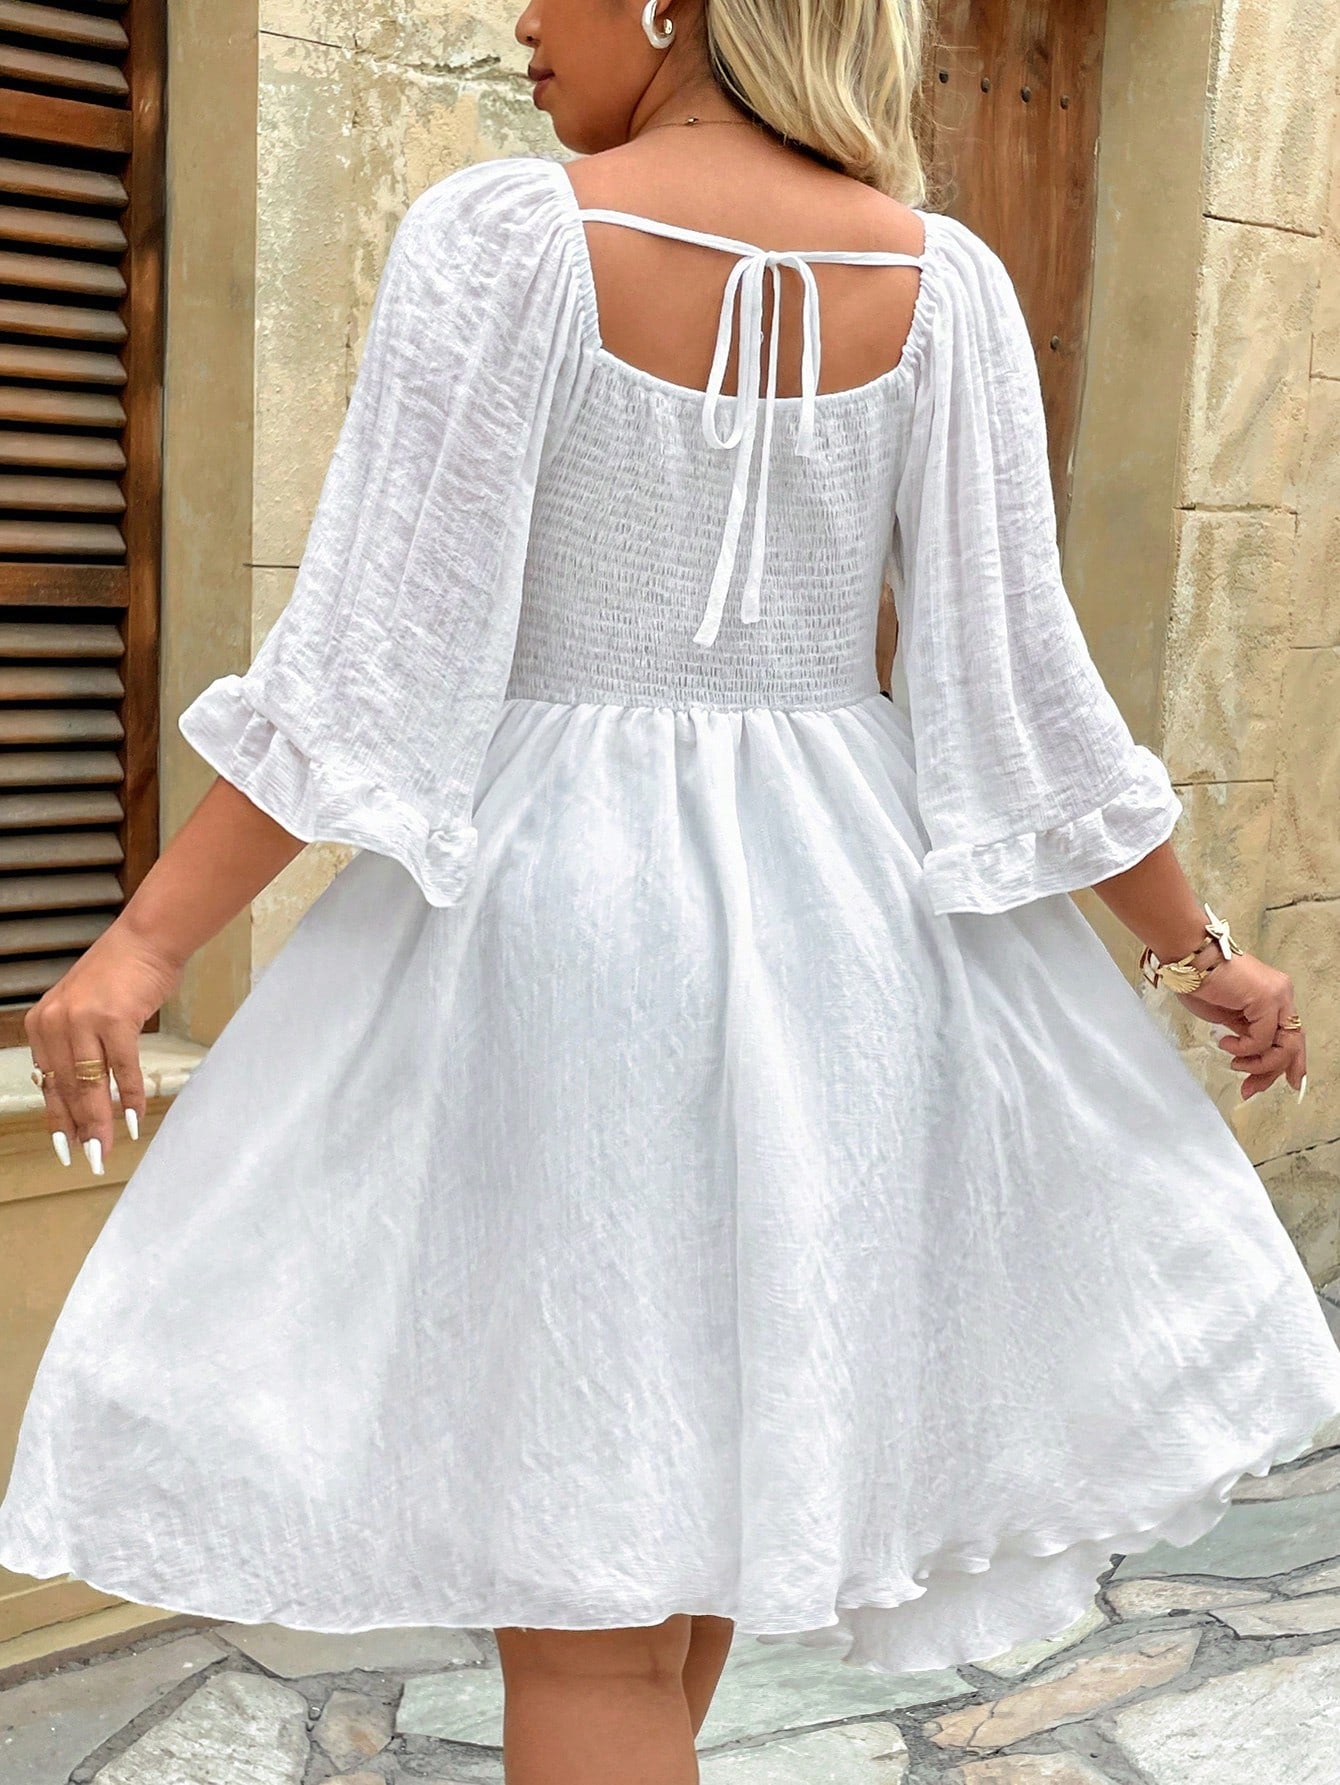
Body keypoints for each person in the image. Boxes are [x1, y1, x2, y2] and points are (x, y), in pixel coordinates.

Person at [2, 0, 1338, 1780]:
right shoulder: (945, 287)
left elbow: (373, 666)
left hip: (562, 933)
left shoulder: (508, 243)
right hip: (852, 941)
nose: (521, 21)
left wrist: (143, 940)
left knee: (592, 1594)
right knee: (672, 1558)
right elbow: (1023, 701)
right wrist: (1200, 951)